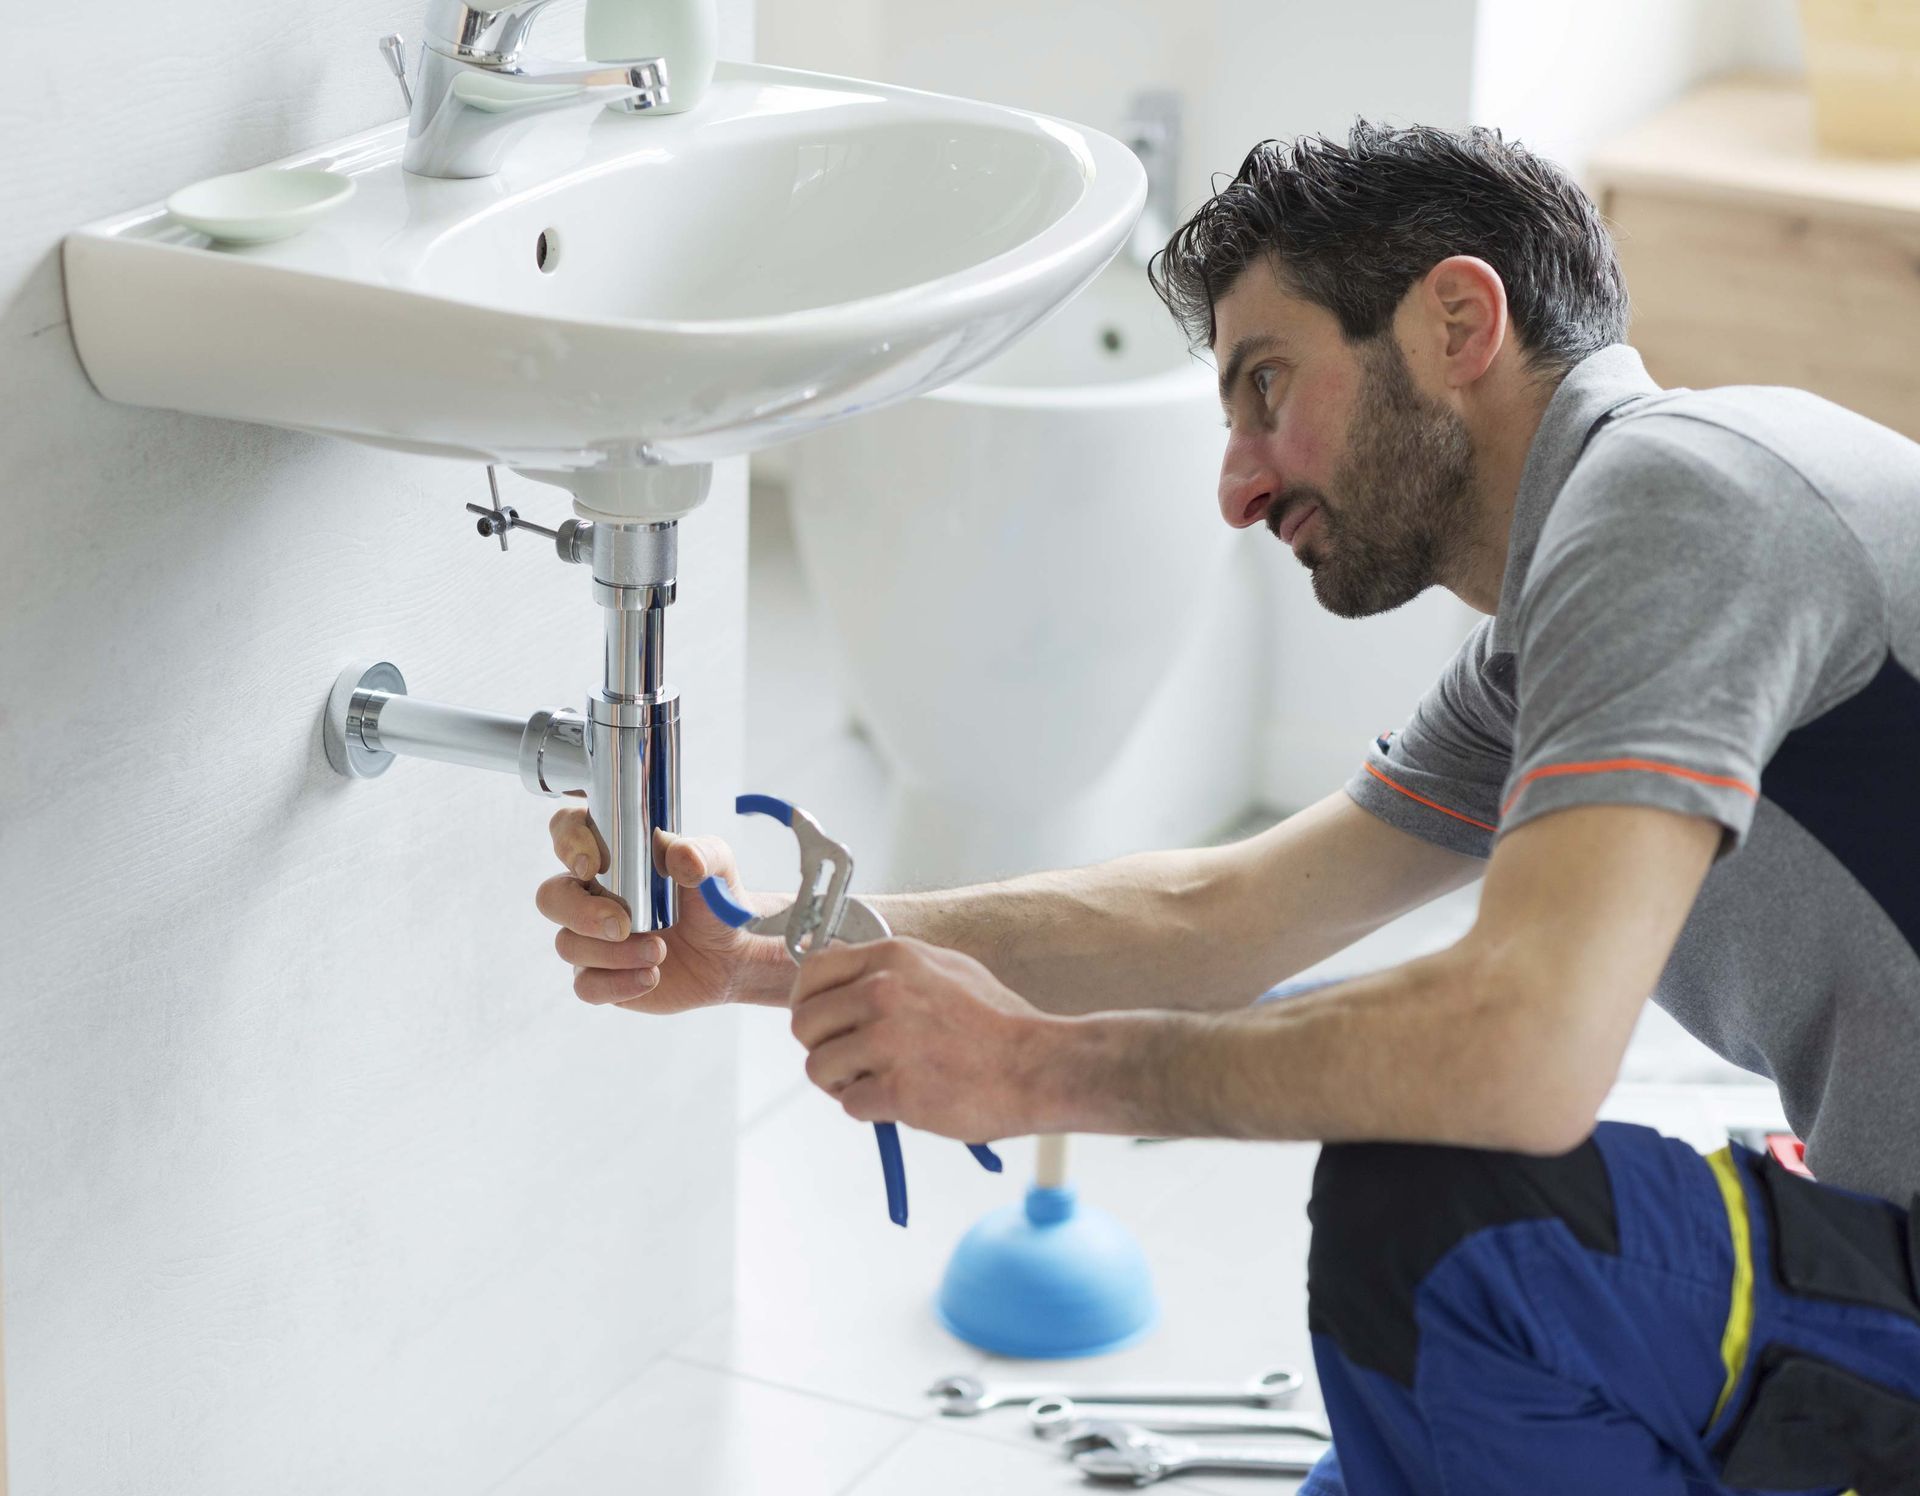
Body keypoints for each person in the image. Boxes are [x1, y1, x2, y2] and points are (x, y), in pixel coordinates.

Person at [535, 122, 1920, 1494]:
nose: (1238, 482)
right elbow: (1222, 914)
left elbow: (1522, 1053)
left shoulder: (1681, 501)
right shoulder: (1569, 619)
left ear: (1456, 319)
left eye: (1269, 387)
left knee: (1451, 1231)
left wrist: (1033, 1070)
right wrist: (759, 953)